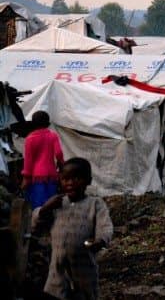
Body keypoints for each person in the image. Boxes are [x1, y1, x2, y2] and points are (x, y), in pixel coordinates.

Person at [32, 158, 113, 300]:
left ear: (88, 180)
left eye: (77, 178)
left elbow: (105, 227)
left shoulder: (95, 204)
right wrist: (45, 208)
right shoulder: (56, 204)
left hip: (84, 269)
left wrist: (100, 241)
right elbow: (35, 225)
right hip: (58, 270)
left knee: (85, 294)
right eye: (65, 179)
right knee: (56, 293)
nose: (70, 183)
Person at [22, 111, 64, 209]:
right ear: (47, 122)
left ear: (33, 123)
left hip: (36, 177)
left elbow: (28, 161)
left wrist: (26, 178)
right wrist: (61, 164)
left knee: (39, 206)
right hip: (51, 174)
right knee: (52, 202)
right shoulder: (53, 135)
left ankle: (40, 223)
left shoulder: (30, 139)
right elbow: (58, 153)